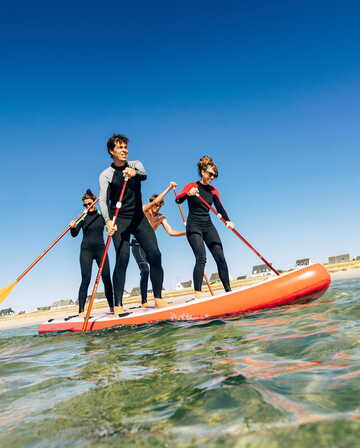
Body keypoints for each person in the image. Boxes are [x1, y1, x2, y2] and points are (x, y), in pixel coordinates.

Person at [99, 133, 167, 316]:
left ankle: (158, 297)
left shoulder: (135, 164)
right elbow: (103, 202)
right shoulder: (106, 175)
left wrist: (133, 173)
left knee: (155, 254)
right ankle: (118, 303)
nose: (124, 150)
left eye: (125, 147)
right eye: (120, 147)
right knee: (122, 260)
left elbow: (144, 175)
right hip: (118, 220)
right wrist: (107, 221)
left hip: (138, 218)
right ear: (111, 151)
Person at [175, 156, 234, 298]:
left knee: (220, 257)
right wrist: (188, 193)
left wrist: (228, 221)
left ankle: (228, 291)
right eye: (210, 174)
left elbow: (220, 208)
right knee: (201, 257)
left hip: (208, 226)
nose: (212, 177)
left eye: (215, 175)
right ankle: (198, 294)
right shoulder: (192, 186)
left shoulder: (213, 191)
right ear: (202, 172)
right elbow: (178, 200)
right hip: (194, 226)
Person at [131, 181, 186, 307]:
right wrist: (169, 187)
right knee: (145, 270)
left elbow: (171, 232)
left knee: (158, 267)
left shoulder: (161, 217)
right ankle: (144, 301)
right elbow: (152, 203)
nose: (157, 206)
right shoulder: (143, 210)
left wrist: (186, 233)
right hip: (137, 245)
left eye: (160, 204)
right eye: (156, 204)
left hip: (150, 245)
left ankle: (158, 298)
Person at [70, 189, 114, 317]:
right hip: (86, 251)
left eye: (89, 203)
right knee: (86, 279)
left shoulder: (102, 216)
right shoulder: (82, 218)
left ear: (94, 202)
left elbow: (109, 226)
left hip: (101, 249)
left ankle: (112, 307)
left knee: (106, 278)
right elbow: (74, 234)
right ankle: (81, 311)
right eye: (85, 205)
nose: (87, 206)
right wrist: (72, 227)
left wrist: (111, 227)